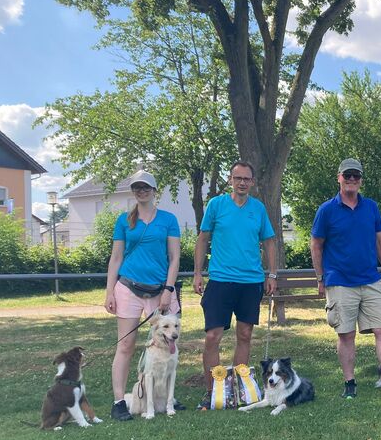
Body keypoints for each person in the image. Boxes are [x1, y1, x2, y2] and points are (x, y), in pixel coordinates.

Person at [310, 158, 381, 401]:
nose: (352, 180)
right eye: (348, 175)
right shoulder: (326, 210)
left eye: (356, 176)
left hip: (370, 279)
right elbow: (316, 245)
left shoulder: (371, 207)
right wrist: (320, 277)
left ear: (361, 180)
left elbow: (380, 241)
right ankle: (349, 382)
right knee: (346, 334)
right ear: (339, 177)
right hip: (339, 281)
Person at [193, 160, 277, 410]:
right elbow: (203, 238)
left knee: (245, 335)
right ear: (230, 180)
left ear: (252, 182)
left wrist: (271, 274)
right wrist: (198, 273)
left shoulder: (258, 209)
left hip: (251, 281)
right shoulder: (216, 205)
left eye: (246, 179)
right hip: (220, 279)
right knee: (212, 336)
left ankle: (239, 391)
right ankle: (212, 392)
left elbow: (270, 241)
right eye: (237, 178)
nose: (242, 182)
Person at [105, 171, 181, 421]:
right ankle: (119, 402)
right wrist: (109, 292)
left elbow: (174, 258)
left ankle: (165, 398)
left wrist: (168, 290)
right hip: (127, 287)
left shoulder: (168, 219)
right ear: (133, 191)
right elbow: (116, 258)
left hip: (159, 290)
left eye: (146, 187)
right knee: (125, 345)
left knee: (168, 344)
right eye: (137, 187)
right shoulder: (124, 220)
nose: (142, 191)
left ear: (154, 190)